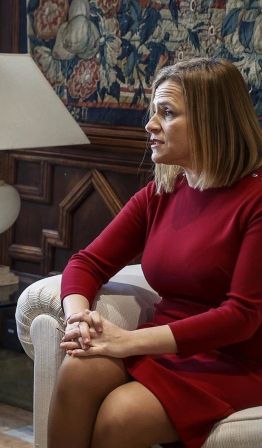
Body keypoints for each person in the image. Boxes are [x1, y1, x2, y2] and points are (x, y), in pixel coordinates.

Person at [48, 58, 262, 448]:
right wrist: (79, 318)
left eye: (167, 113)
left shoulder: (256, 202)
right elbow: (86, 263)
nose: (150, 125)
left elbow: (242, 317)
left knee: (121, 416)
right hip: (162, 347)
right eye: (154, 112)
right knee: (78, 370)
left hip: (235, 361)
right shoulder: (160, 194)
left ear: (211, 121)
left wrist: (127, 342)